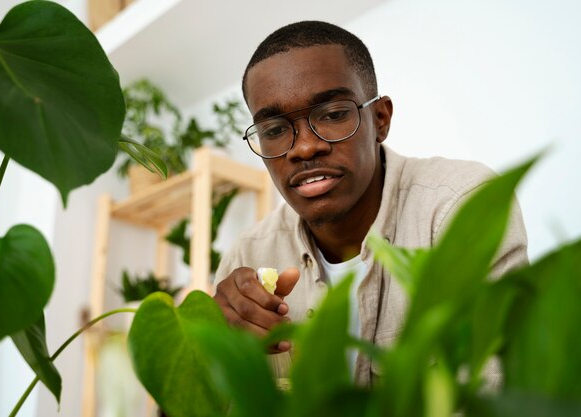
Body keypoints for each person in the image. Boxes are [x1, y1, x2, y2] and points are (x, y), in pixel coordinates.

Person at [213, 20, 528, 386]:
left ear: (380, 119)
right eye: (274, 130)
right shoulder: (246, 258)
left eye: (332, 115)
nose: (303, 147)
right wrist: (213, 347)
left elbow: (499, 392)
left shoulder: (459, 207)